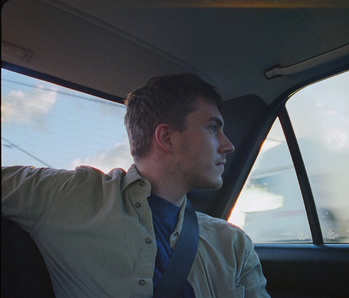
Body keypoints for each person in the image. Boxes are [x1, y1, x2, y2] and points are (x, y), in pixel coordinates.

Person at [2, 73, 271, 297]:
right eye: (213, 128)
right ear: (166, 137)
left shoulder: (234, 244)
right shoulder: (71, 194)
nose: (229, 145)